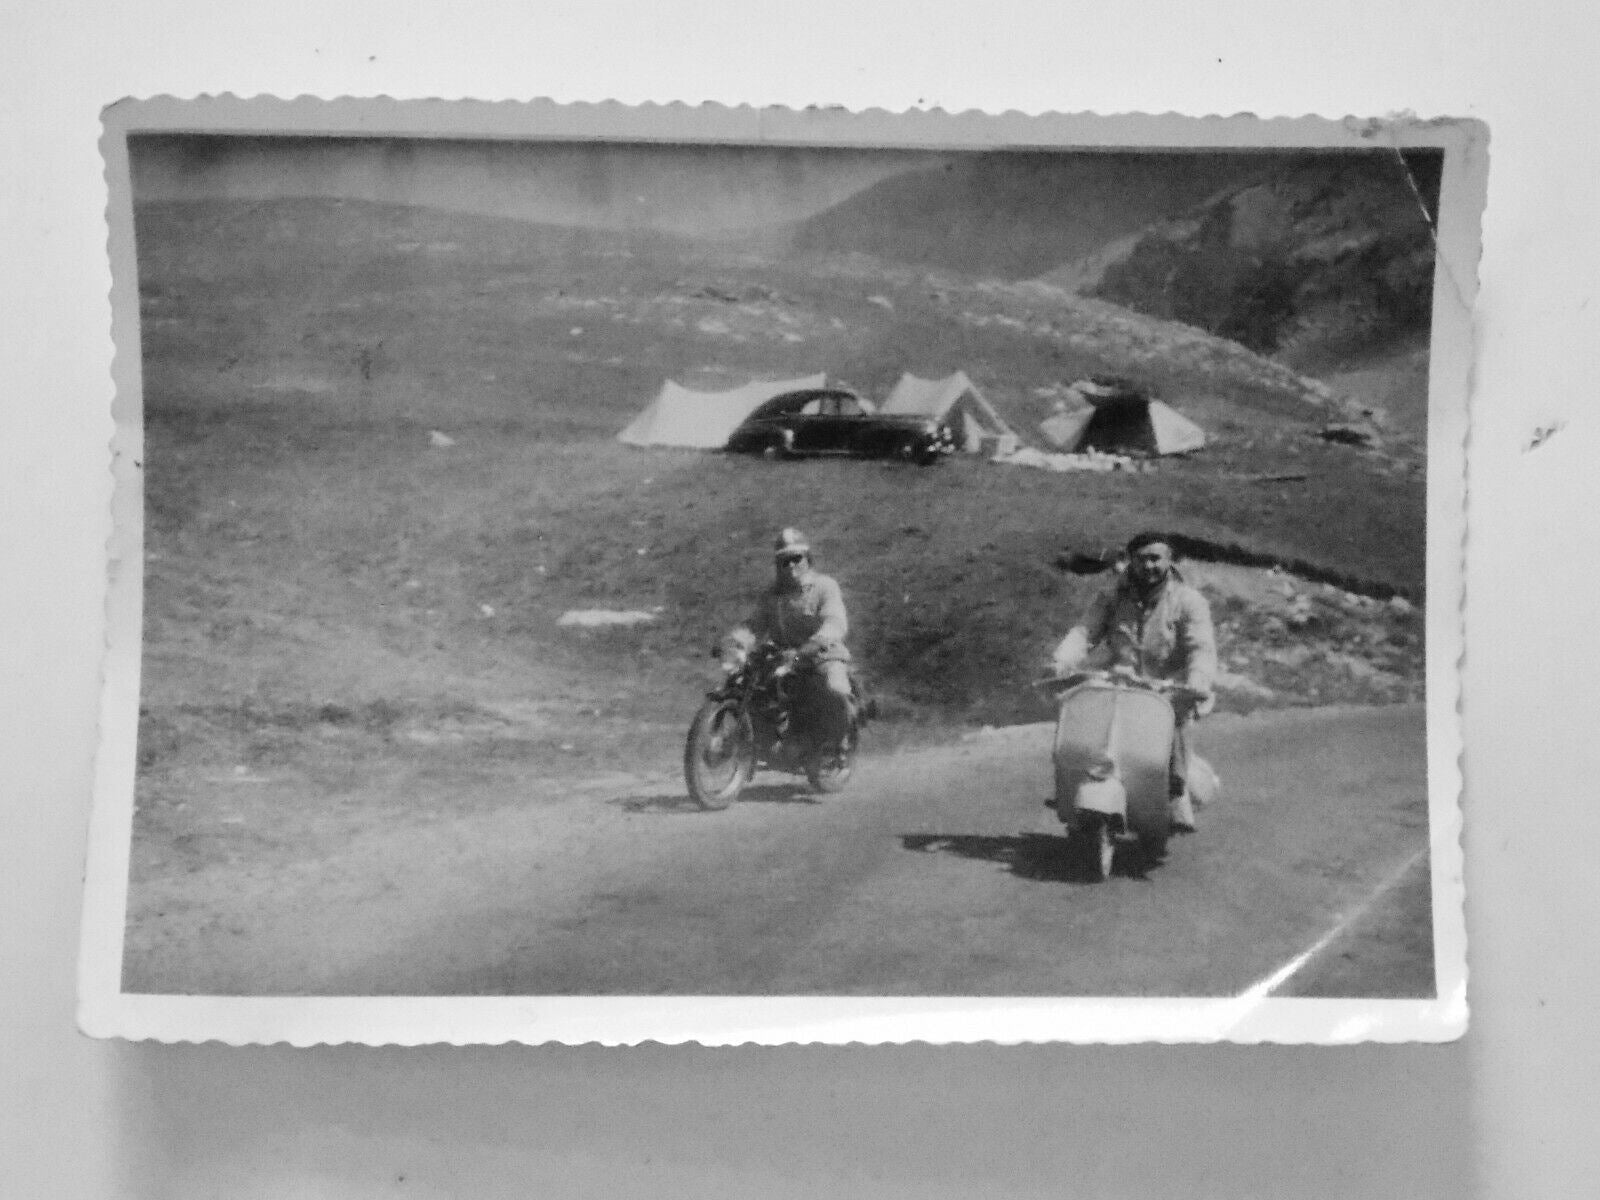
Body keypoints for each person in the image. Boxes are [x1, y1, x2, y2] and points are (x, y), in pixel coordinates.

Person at [1051, 531, 1218, 826]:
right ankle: (1072, 783)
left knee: (1177, 720)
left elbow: (1200, 647)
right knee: (1086, 715)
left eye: (1156, 559)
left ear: (1169, 561)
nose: (1149, 566)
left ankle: (1176, 790)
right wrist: (1062, 660)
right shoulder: (1112, 596)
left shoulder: (1188, 601)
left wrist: (1198, 680)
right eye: (1142, 559)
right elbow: (1086, 631)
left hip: (1167, 688)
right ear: (1131, 560)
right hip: (1122, 681)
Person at [726, 528, 855, 754]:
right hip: (782, 658)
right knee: (745, 684)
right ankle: (760, 738)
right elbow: (755, 625)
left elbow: (835, 622)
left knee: (834, 687)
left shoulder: (825, 587)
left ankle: (837, 741)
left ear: (808, 559)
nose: (791, 566)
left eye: (797, 558)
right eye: (784, 561)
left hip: (821, 655)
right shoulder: (771, 595)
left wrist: (813, 645)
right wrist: (735, 642)